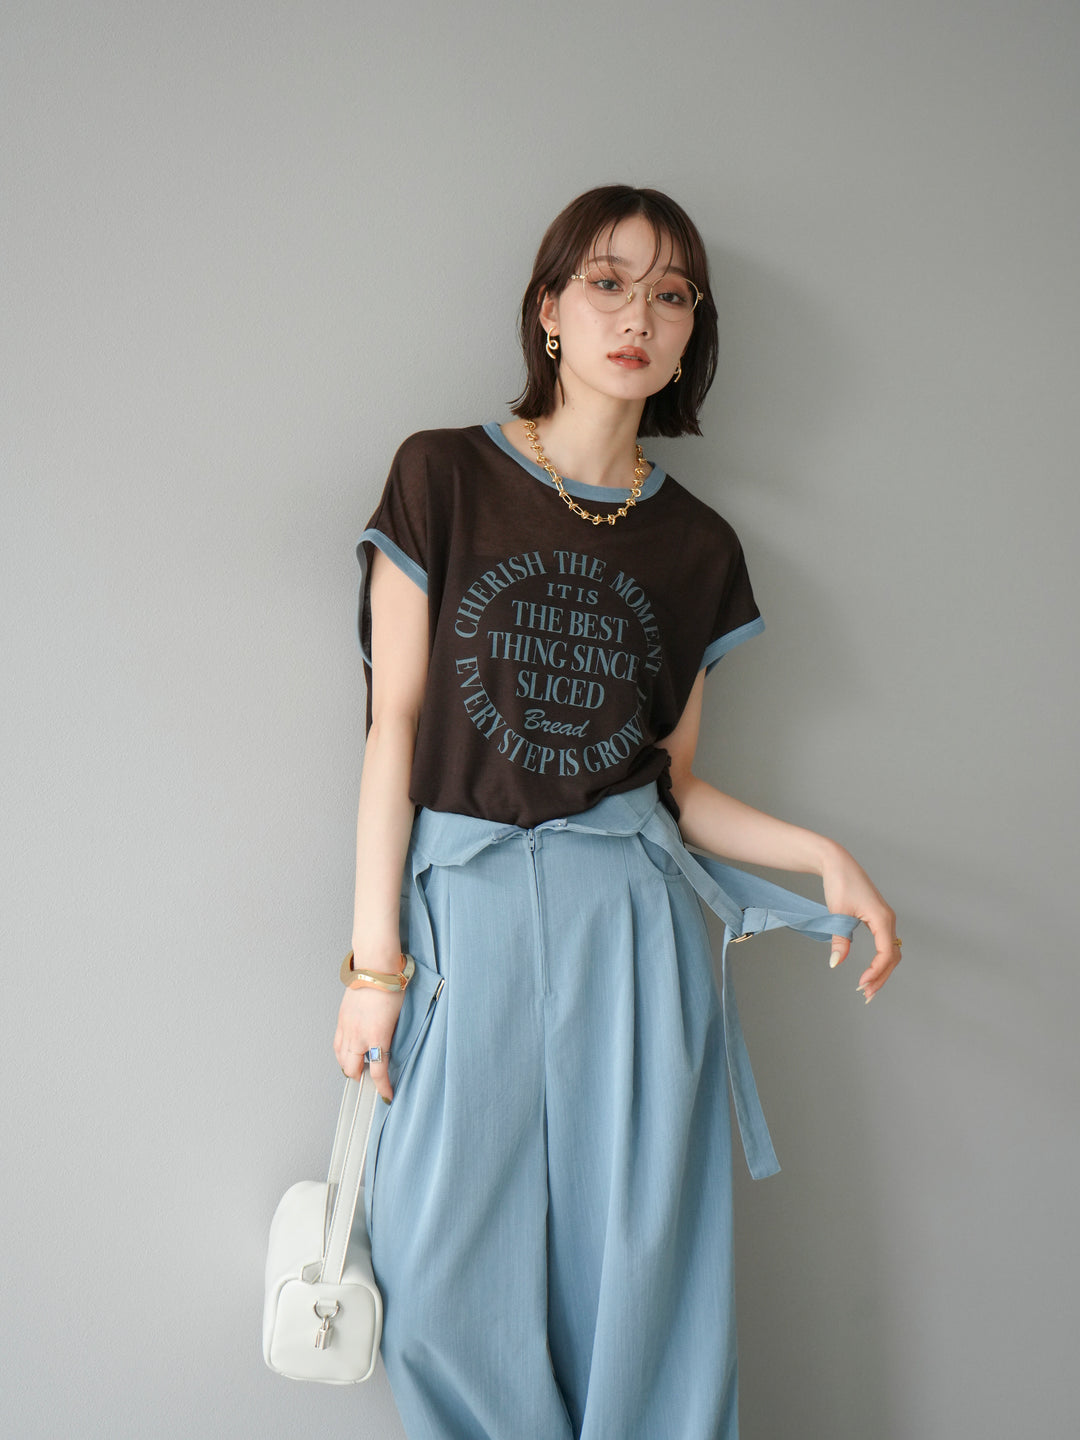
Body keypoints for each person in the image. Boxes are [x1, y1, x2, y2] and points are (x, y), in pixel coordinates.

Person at [333, 184, 899, 1440]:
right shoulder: (443, 476)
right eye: (607, 282)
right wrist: (373, 968)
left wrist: (823, 858)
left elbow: (675, 785)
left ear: (692, 335)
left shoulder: (697, 547)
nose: (637, 316)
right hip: (464, 917)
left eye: (670, 295)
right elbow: (393, 728)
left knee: (643, 1286)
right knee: (438, 1296)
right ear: (549, 309)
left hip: (631, 928)